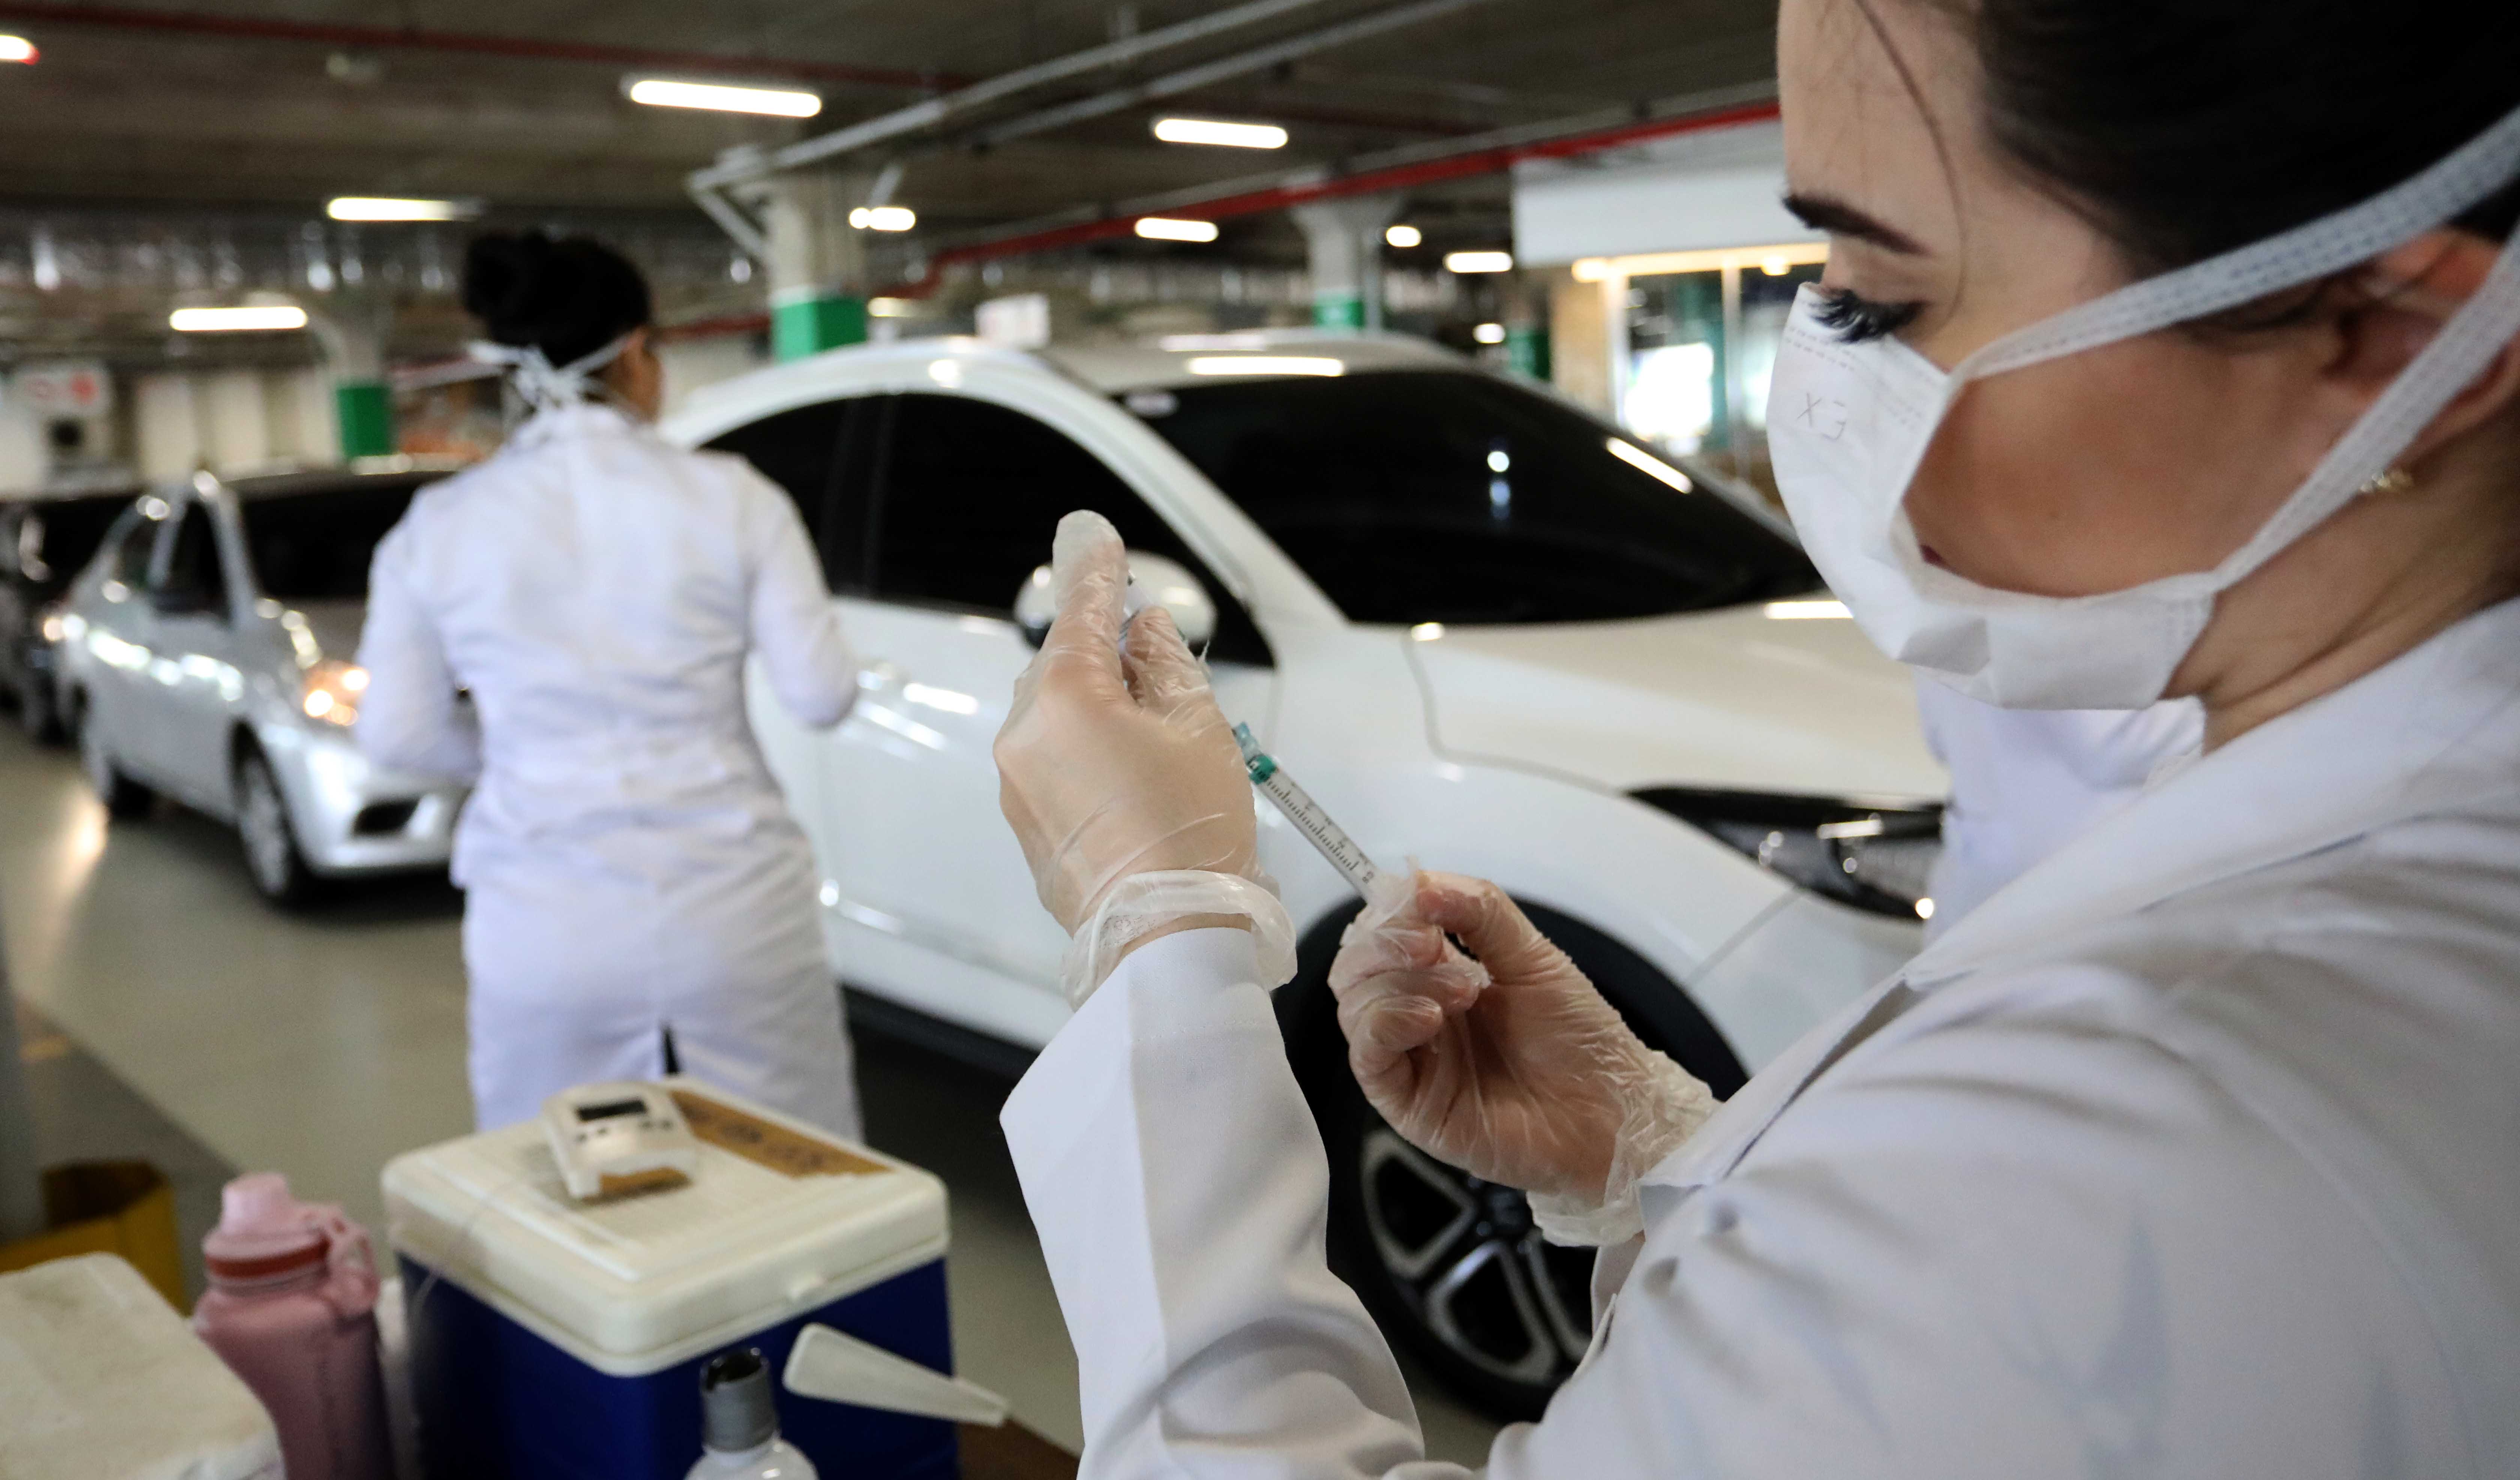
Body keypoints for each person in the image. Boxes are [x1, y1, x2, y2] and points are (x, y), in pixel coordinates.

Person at [988, 0, 2520, 1473]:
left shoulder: (2143, 1118)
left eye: (1882, 297)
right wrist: (1659, 1160)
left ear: (2386, 344)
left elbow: (1998, 1254)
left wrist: (1160, 940)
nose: (1827, 386)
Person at [357, 232, 864, 1136]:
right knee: (794, 1179)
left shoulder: (436, 528)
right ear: (635, 352)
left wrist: (518, 754)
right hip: (734, 909)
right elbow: (821, 695)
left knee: (564, 1197)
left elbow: (395, 736)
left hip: (545, 920)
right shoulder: (735, 497)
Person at [1912, 682, 2202, 936]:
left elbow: (1937, 739)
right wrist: (2237, 704)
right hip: (2078, 901)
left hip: (1983, 881)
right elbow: (2122, 742)